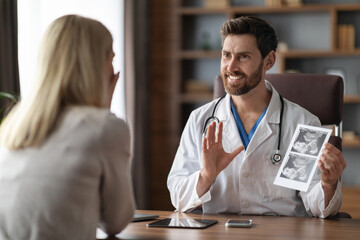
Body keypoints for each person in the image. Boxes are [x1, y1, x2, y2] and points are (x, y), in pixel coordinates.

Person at [167, 16, 346, 218]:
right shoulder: (200, 120)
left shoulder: (302, 123)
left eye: (243, 57)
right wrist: (207, 175)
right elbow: (178, 197)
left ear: (269, 61)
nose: (231, 67)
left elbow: (316, 205)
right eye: (226, 55)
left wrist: (328, 184)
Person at [0, 15, 135, 239]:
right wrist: (104, 112)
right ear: (96, 66)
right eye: (111, 59)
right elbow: (115, 221)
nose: (113, 71)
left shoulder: (13, 126)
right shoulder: (104, 128)